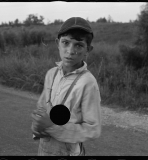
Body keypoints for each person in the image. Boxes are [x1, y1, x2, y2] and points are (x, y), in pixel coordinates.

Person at [31, 17, 102, 156]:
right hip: (45, 147)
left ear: (88, 49)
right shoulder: (51, 74)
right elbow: (42, 107)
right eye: (66, 43)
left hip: (68, 151)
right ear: (58, 43)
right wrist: (37, 125)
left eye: (79, 45)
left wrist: (52, 127)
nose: (70, 51)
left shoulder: (88, 83)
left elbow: (93, 129)